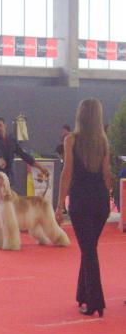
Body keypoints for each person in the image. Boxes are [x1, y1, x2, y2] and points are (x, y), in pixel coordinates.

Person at [55, 99, 111, 318]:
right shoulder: (103, 141)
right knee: (89, 248)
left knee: (88, 250)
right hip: (100, 202)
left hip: (80, 201)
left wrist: (60, 205)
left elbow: (67, 174)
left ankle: (96, 301)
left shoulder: (71, 140)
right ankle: (83, 294)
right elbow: (107, 174)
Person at [0, 117, 49, 245]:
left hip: (8, 180)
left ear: (5, 125)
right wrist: (0, 159)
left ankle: (9, 236)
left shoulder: (12, 140)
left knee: (11, 211)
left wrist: (39, 166)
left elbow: (23, 155)